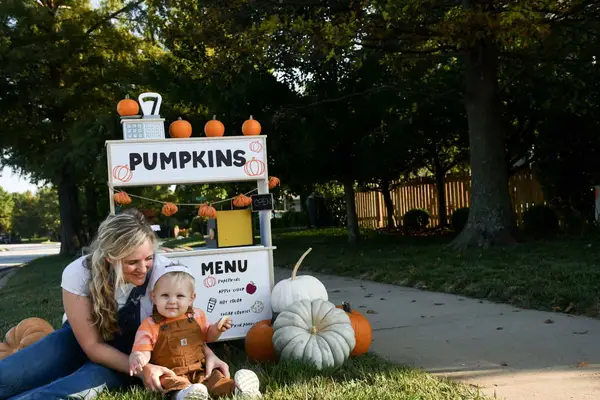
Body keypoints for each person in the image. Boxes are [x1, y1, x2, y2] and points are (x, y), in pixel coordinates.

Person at [0, 209, 232, 399]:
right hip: (80, 340)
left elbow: (183, 321)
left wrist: (205, 352)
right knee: (10, 375)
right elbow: (91, 346)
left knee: (61, 393)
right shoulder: (79, 273)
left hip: (131, 357)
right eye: (132, 262)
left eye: (149, 258)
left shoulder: (164, 274)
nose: (143, 268)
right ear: (110, 258)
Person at [128, 263, 262, 399]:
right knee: (173, 383)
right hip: (170, 372)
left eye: (180, 296)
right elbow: (143, 349)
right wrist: (139, 357)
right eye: (165, 295)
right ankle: (183, 395)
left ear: (191, 298)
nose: (172, 301)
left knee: (215, 378)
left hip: (200, 368)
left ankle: (238, 390)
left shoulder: (197, 316)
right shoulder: (150, 324)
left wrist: (217, 329)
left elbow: (209, 336)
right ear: (154, 297)